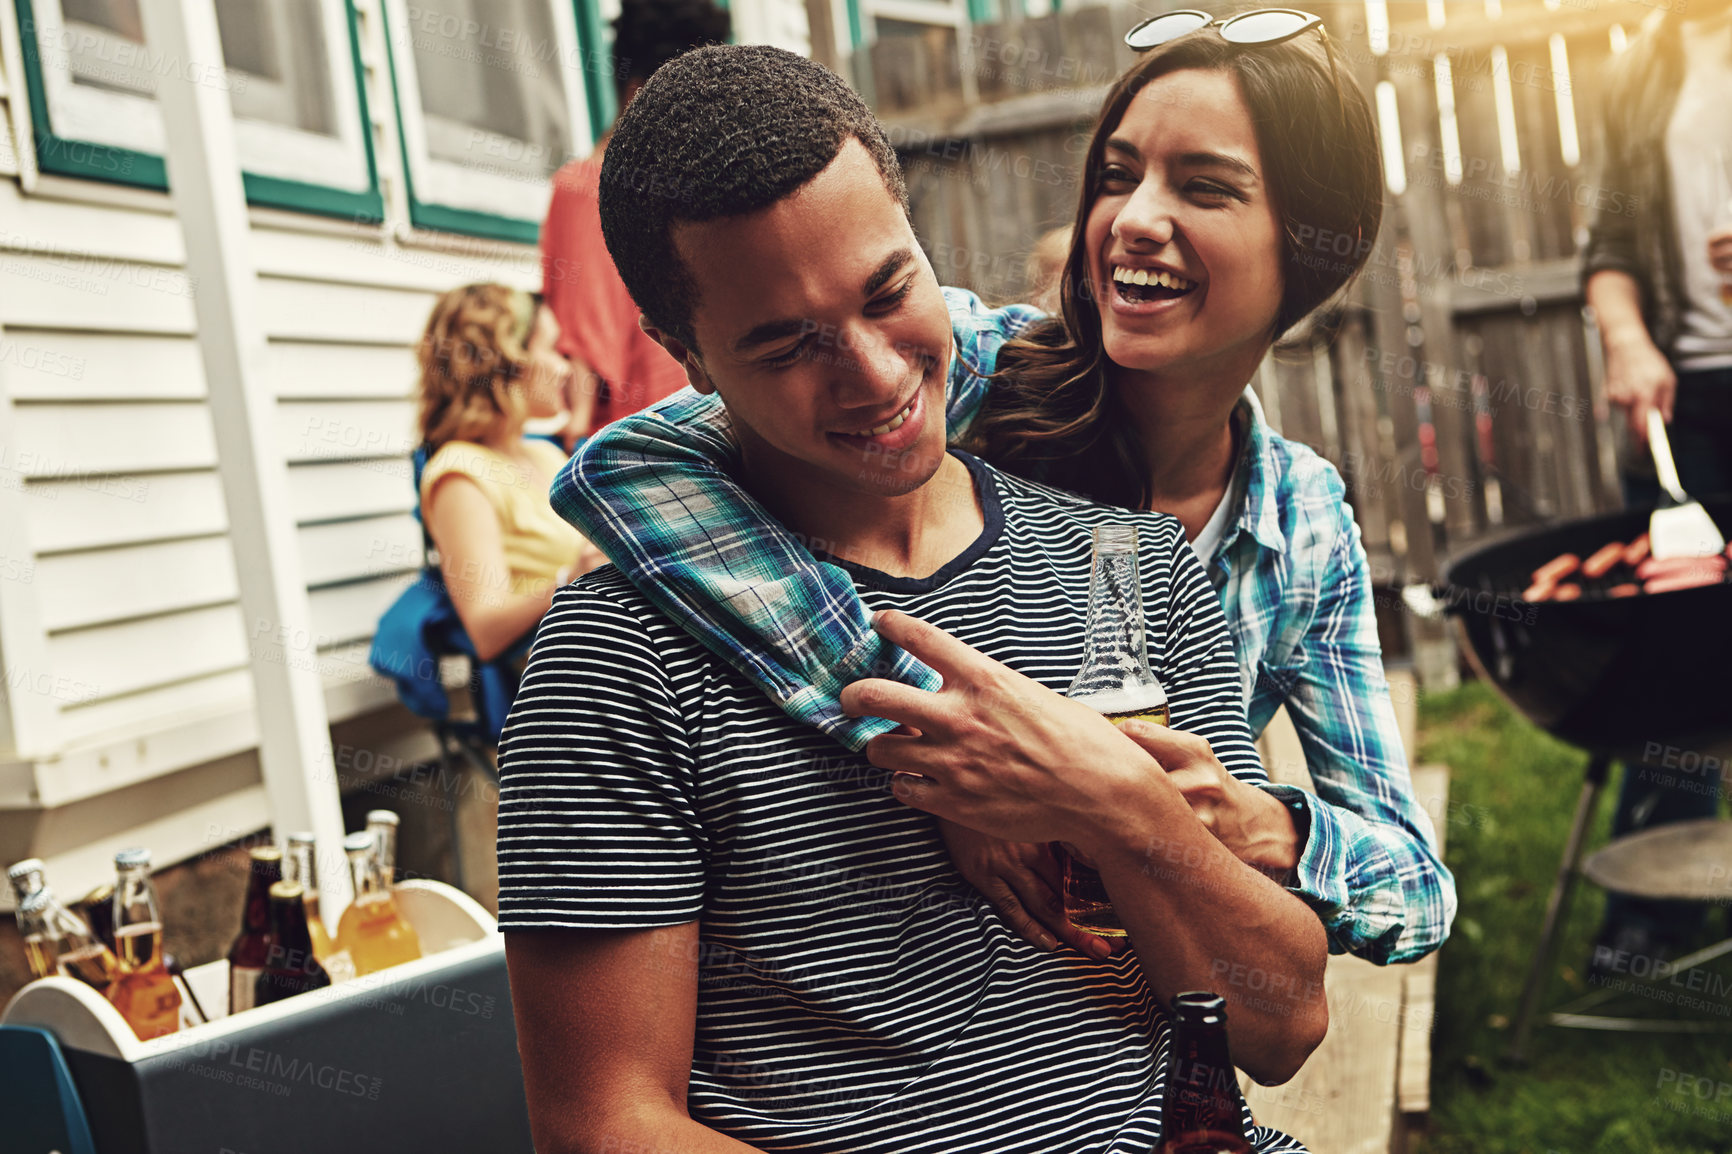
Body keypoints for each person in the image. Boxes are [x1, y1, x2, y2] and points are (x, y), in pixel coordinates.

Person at [498, 44, 1324, 1154]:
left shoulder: (1130, 566)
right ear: (683, 353)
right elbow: (603, 1125)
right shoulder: (617, 659)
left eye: (890, 291)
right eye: (788, 344)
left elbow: (1279, 1022)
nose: (878, 376)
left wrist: (1109, 796)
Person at [553, 13, 1454, 967]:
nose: (1134, 218)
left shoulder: (1300, 522)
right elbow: (624, 468)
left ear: (1320, 243)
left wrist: (1249, 821)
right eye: (1117, 175)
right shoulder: (968, 369)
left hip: (1133, 989)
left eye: (1205, 187)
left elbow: (1413, 890)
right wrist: (929, 736)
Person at [1581, 0, 1732, 971]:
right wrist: (1629, 340)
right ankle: (1656, 907)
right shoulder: (1643, 65)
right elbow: (1610, 245)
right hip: (1691, 405)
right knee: (1683, 641)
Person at [539, 0, 730, 446]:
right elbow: (586, 349)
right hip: (651, 447)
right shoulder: (594, 187)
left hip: (663, 443)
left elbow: (584, 338)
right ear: (639, 92)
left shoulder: (587, 186)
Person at [416, 284, 603, 663]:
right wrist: (571, 578)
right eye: (550, 349)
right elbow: (485, 629)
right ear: (506, 361)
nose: (564, 368)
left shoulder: (545, 454)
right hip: (562, 668)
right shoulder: (460, 474)